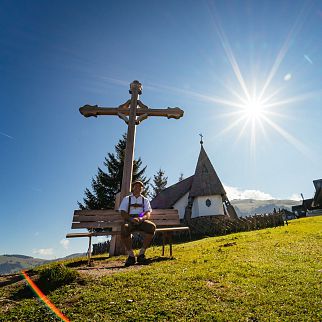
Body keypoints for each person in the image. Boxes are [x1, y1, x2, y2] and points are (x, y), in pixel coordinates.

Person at [118, 180, 156, 266]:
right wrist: (131, 219)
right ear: (133, 188)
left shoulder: (145, 200)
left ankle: (141, 254)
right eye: (136, 186)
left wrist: (141, 218)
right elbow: (123, 212)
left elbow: (148, 213)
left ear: (142, 189)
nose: (138, 188)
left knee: (152, 227)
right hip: (130, 220)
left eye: (140, 187)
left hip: (141, 220)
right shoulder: (127, 199)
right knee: (124, 228)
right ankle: (131, 256)